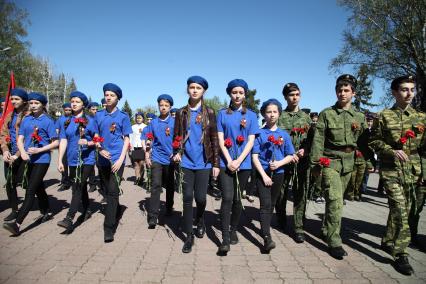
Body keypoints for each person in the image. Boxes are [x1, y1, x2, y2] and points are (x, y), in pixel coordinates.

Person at [369, 75, 425, 275]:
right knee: (401, 210)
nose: (409, 93)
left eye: (412, 89)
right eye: (404, 89)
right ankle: (401, 254)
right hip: (391, 169)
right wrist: (390, 150)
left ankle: (388, 240)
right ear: (394, 92)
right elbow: (373, 141)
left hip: (413, 171)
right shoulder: (383, 116)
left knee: (407, 210)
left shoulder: (421, 118)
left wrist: (423, 172)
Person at [310, 74, 365, 260]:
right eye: (339, 90)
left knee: (338, 200)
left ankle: (326, 228)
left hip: (348, 163)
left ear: (353, 93)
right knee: (334, 200)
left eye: (346, 90)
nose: (342, 93)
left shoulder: (359, 116)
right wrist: (316, 164)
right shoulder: (327, 113)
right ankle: (334, 241)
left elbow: (363, 142)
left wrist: (368, 162)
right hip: (329, 161)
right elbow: (318, 140)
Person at [173, 76, 220, 253]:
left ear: (203, 91)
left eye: (198, 88)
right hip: (185, 162)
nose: (194, 90)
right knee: (186, 197)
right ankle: (189, 236)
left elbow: (214, 139)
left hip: (204, 163)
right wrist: (176, 152)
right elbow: (177, 136)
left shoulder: (209, 112)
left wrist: (216, 163)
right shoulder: (181, 112)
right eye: (191, 87)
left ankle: (200, 220)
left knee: (200, 198)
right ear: (187, 90)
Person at [3, 92, 58, 236]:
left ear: (43, 105)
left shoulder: (48, 121)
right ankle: (46, 211)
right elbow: (20, 139)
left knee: (30, 190)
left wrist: (41, 149)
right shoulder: (26, 119)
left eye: (37, 103)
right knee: (38, 186)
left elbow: (56, 142)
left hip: (42, 160)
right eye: (32, 103)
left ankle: (17, 223)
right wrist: (23, 153)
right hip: (29, 159)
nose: (33, 106)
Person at [216, 79, 259, 255]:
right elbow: (220, 139)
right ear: (229, 93)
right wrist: (229, 161)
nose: (237, 95)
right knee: (227, 198)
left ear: (245, 94)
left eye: (241, 92)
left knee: (237, 200)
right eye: (234, 92)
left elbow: (251, 141)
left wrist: (239, 161)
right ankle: (225, 237)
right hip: (226, 163)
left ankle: (233, 229)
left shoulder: (252, 115)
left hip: (244, 163)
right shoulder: (222, 114)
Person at [252, 99, 297, 253]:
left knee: (271, 203)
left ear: (279, 113)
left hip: (278, 174)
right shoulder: (259, 133)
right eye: (268, 112)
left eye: (275, 112)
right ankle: (266, 237)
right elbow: (255, 157)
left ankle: (264, 227)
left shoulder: (283, 134)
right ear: (264, 114)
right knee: (265, 204)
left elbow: (290, 155)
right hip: (262, 174)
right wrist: (264, 175)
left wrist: (279, 164)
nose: (271, 115)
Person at [94, 83, 132, 243]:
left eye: (112, 95)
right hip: (102, 159)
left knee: (112, 190)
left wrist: (121, 159)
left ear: (118, 98)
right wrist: (99, 148)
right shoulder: (98, 115)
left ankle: (109, 228)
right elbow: (95, 135)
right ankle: (115, 209)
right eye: (106, 94)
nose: (108, 97)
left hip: (117, 158)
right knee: (106, 189)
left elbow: (127, 139)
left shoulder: (123, 116)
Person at [56, 91, 97, 232]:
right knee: (81, 186)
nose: (73, 104)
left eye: (77, 101)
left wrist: (88, 141)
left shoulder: (91, 120)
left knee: (77, 186)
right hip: (72, 160)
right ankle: (87, 210)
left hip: (86, 159)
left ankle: (69, 218)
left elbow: (98, 140)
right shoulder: (66, 121)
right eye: (72, 101)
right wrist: (60, 160)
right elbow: (63, 140)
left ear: (83, 104)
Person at [276, 83, 311, 243]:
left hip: (301, 162)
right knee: (281, 194)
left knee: (300, 194)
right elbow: (275, 140)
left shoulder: (306, 118)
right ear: (285, 97)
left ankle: (298, 227)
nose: (294, 97)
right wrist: (288, 154)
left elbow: (312, 140)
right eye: (291, 95)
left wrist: (305, 150)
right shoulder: (280, 116)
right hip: (283, 162)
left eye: (297, 94)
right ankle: (281, 219)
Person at [145, 95, 175, 228]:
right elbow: (149, 138)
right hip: (156, 157)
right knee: (156, 185)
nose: (163, 107)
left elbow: (182, 137)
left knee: (169, 185)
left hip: (170, 159)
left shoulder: (175, 122)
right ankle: (153, 216)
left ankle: (169, 206)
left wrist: (177, 152)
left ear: (170, 107)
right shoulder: (153, 122)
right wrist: (147, 154)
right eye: (161, 105)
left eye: (166, 105)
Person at [0, 88, 29, 221]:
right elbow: (3, 134)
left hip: (24, 155)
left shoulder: (29, 116)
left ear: (24, 101)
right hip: (10, 154)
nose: (13, 101)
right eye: (12, 99)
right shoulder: (9, 115)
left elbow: (29, 139)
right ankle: (14, 209)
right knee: (10, 182)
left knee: (30, 183)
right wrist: (5, 150)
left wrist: (18, 153)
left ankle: (44, 207)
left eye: (16, 99)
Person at [56, 102, 73, 192]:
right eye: (66, 110)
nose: (68, 111)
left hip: (73, 144)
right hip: (63, 144)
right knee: (64, 163)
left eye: (70, 110)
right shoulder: (60, 119)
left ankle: (74, 179)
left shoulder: (75, 118)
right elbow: (57, 130)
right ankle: (65, 181)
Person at [130, 112, 147, 186]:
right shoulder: (132, 127)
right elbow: (130, 137)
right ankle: (137, 178)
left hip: (142, 147)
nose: (138, 119)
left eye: (140, 118)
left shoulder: (146, 127)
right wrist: (130, 147)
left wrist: (146, 147)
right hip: (134, 147)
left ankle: (141, 179)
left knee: (142, 163)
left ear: (143, 119)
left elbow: (148, 138)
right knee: (136, 164)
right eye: (137, 118)